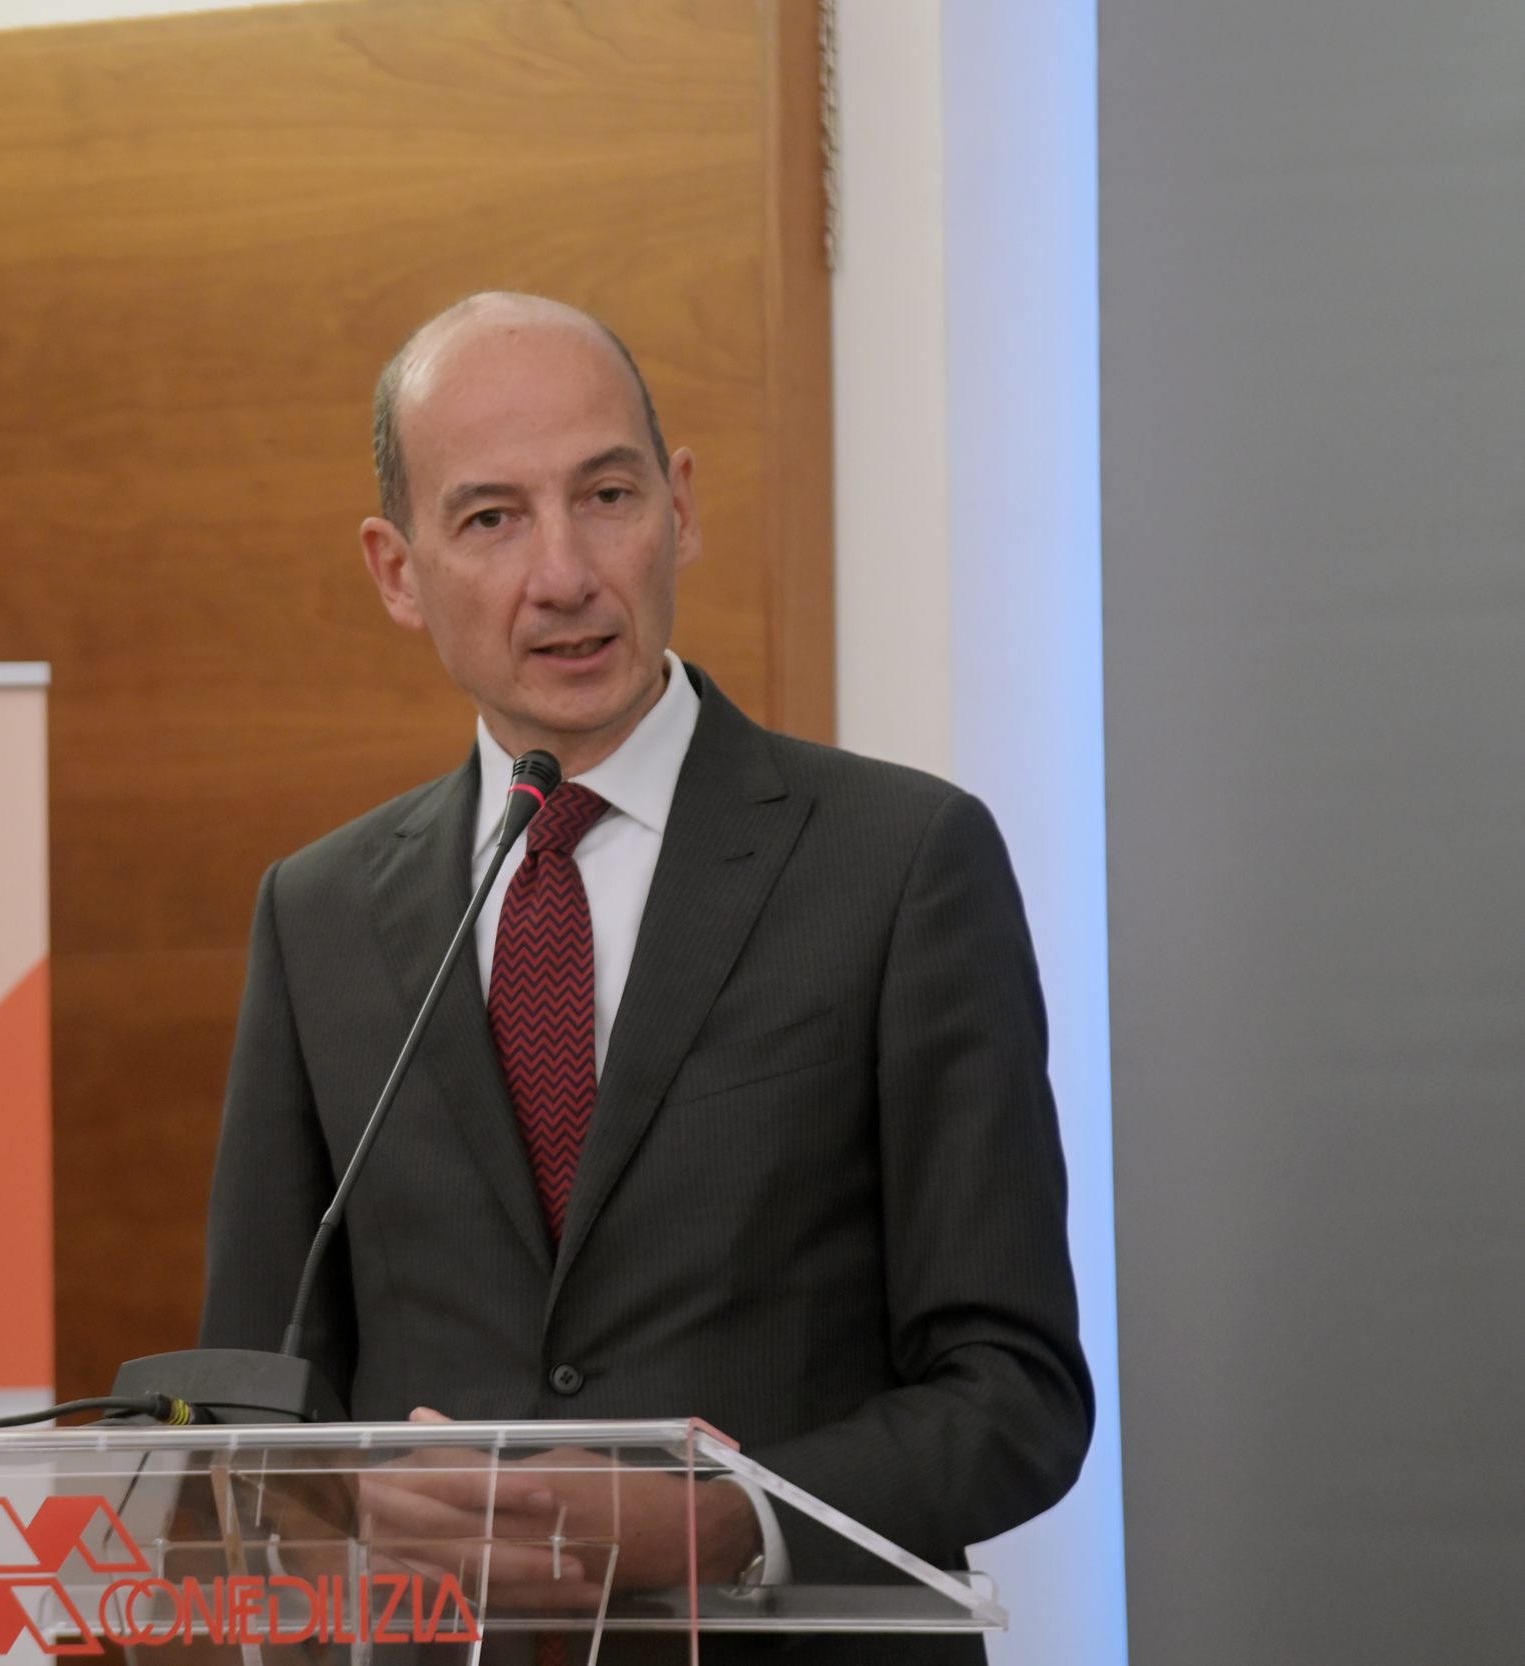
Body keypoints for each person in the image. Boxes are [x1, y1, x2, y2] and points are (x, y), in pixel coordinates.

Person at [195, 293, 1091, 1660]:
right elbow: (245, 1411)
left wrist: (733, 1517)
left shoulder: (901, 862)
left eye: (606, 496)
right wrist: (342, 1498)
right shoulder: (317, 913)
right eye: (491, 519)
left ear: (681, 506)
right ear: (396, 569)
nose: (563, 574)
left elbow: (1016, 1393)